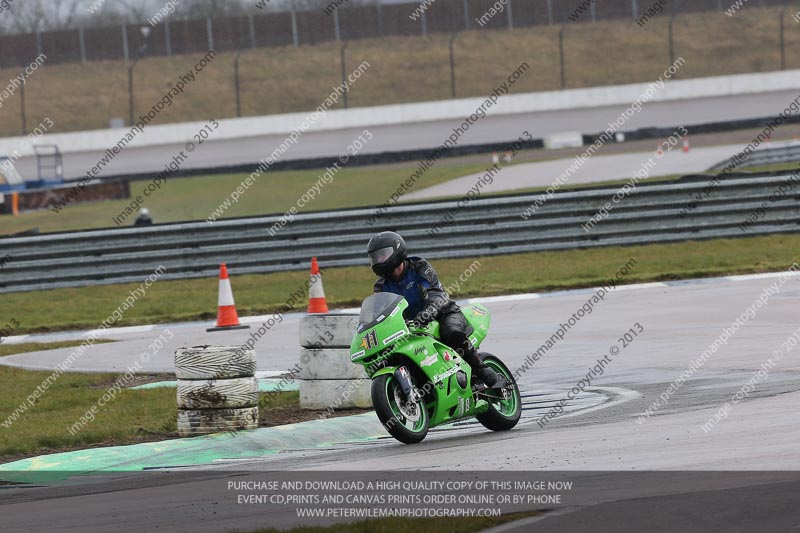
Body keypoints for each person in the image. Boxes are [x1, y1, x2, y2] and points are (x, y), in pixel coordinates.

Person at [367, 231, 500, 386]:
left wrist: (427, 313)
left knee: (451, 332)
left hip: (444, 313)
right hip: (411, 326)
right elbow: (380, 313)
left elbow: (436, 293)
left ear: (397, 251)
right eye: (375, 257)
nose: (378, 260)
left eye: (382, 255)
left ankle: (482, 370)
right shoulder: (381, 286)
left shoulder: (419, 266)